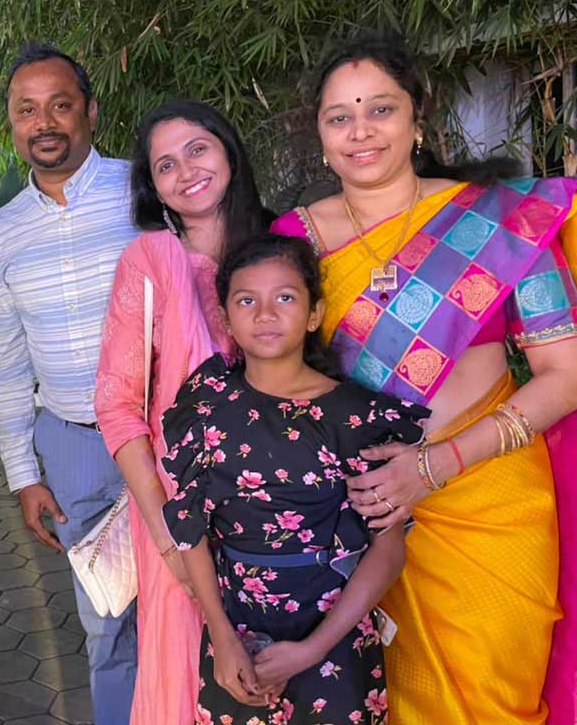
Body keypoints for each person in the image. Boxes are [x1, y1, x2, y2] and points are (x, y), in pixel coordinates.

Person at [271, 31, 577, 725]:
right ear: (320, 135)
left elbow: (566, 374)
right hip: (363, 512)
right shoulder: (293, 239)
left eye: (380, 109)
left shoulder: (501, 218)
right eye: (340, 116)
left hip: (491, 503)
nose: (360, 132)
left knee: (493, 700)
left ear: (417, 118)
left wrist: (436, 466)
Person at [162, 234, 426, 724]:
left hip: (333, 639)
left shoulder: (354, 416)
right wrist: (221, 635)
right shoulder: (206, 403)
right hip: (236, 638)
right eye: (247, 300)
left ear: (314, 313)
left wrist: (313, 648)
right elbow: (191, 529)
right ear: (225, 318)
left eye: (284, 297)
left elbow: (388, 550)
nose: (265, 314)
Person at [95, 100, 269, 724]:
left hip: (284, 504)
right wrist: (168, 531)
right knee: (185, 675)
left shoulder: (287, 244)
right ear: (154, 186)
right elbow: (117, 406)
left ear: (228, 151)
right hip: (181, 509)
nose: (186, 171)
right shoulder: (149, 264)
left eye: (198, 149)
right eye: (165, 165)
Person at [0, 43, 139, 724]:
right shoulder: (1, 234)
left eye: (60, 105)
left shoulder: (145, 192)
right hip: (73, 449)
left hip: (166, 437)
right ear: (12, 124)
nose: (43, 122)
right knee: (106, 619)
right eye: (26, 110)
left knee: (195, 604)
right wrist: (23, 476)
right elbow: (9, 365)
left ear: (90, 112)